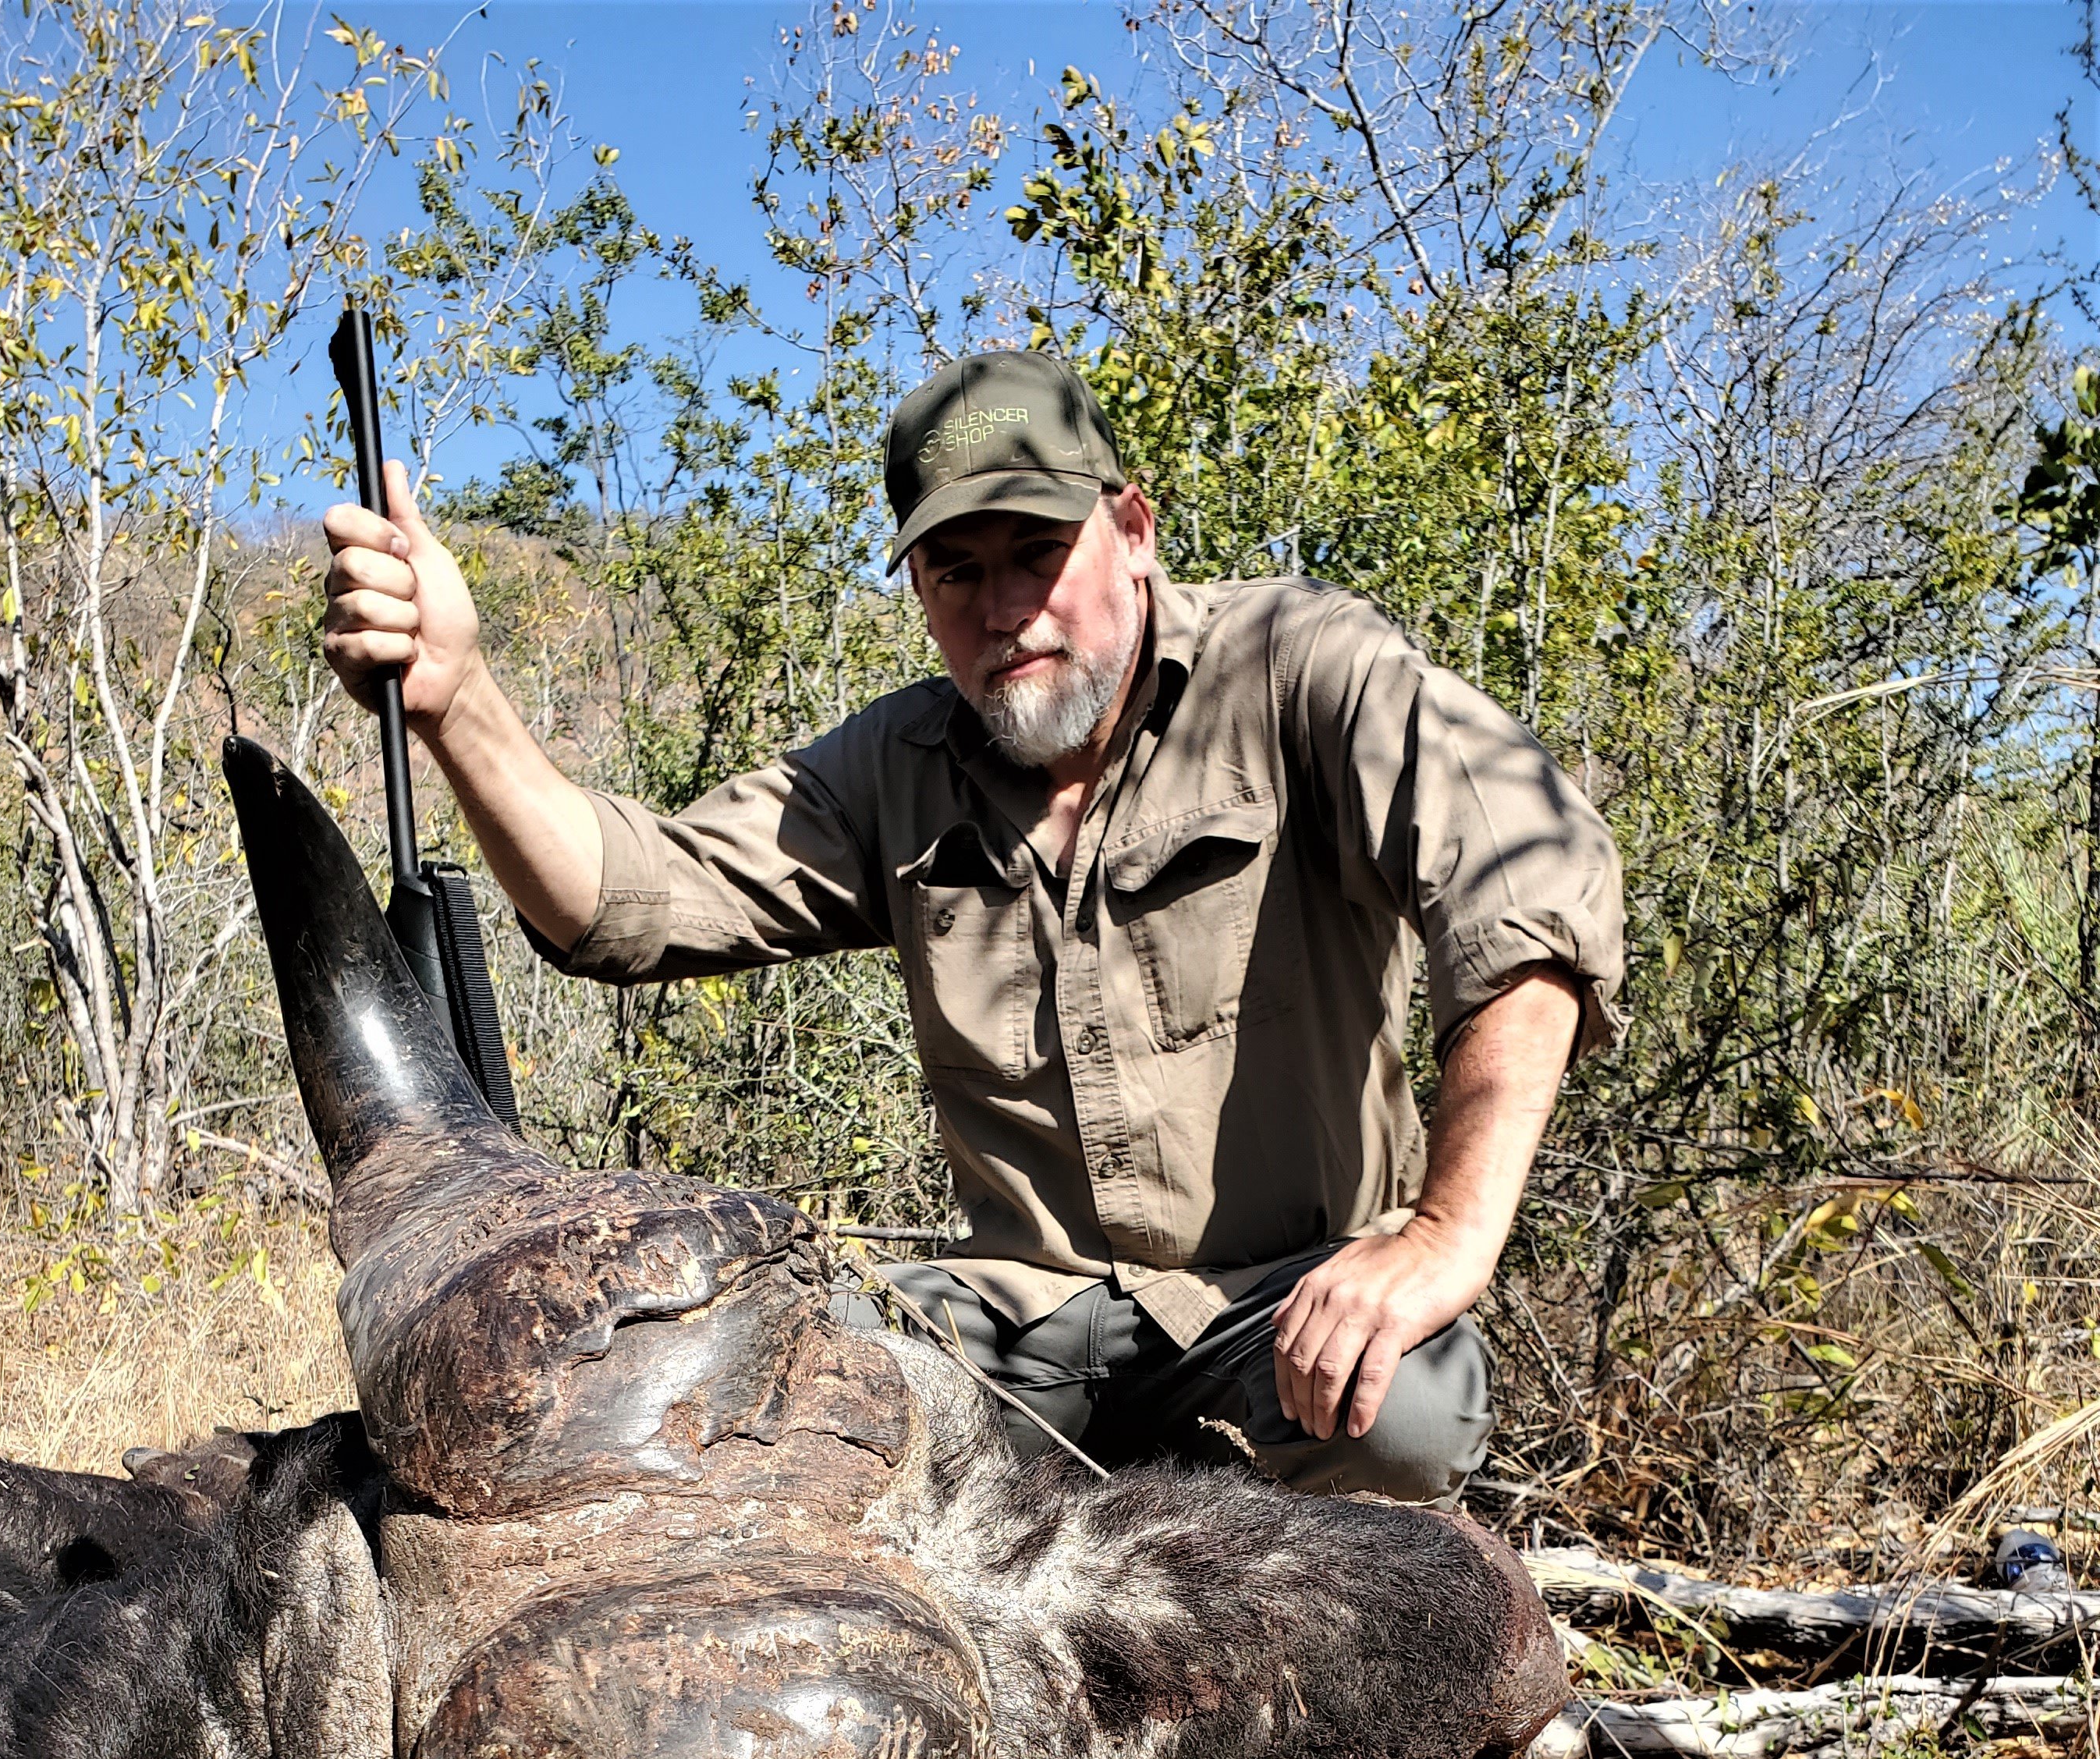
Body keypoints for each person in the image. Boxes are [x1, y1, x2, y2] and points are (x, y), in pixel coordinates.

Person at [321, 350, 1624, 1502]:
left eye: (1038, 556)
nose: (1007, 611)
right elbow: (620, 896)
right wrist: (459, 699)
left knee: (1398, 1409)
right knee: (746, 1419)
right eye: (960, 570)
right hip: (1018, 1334)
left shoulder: (1299, 665)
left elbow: (1526, 877)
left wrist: (1443, 1239)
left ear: (1133, 531)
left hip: (1277, 1306)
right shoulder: (897, 766)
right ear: (922, 589)